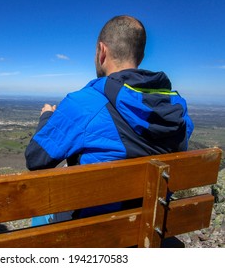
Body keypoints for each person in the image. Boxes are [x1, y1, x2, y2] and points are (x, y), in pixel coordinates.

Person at [25, 15, 194, 226]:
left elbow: (36, 160)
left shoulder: (84, 104)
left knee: (41, 212)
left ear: (101, 51)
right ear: (139, 56)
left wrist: (46, 117)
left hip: (97, 230)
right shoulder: (177, 109)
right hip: (151, 224)